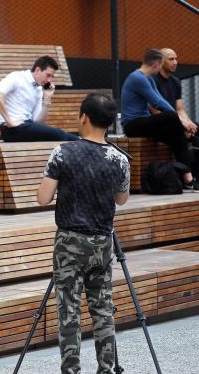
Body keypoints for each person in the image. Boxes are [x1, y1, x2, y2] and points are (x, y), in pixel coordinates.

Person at [37, 93, 130, 374]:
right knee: (103, 309)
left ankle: (71, 370)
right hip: (103, 242)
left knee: (69, 311)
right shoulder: (119, 158)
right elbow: (121, 199)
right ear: (110, 124)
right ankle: (106, 368)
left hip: (69, 242)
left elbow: (43, 197)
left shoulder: (63, 152)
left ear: (83, 117)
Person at [122, 48, 198, 189]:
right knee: (170, 116)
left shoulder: (148, 78)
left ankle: (188, 178)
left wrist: (183, 124)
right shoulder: (137, 78)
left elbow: (161, 100)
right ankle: (185, 134)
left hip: (146, 123)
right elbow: (157, 102)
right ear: (156, 64)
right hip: (133, 125)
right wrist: (182, 122)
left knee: (177, 136)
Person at [0, 55, 79, 142]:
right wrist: (9, 121)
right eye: (48, 75)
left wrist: (47, 99)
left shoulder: (39, 89)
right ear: (37, 70)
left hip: (26, 127)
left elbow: (39, 123)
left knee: (56, 137)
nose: (49, 80)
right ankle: (83, 142)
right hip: (11, 129)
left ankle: (83, 142)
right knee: (60, 135)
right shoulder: (16, 77)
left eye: (51, 77)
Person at [152, 48, 198, 143]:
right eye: (171, 59)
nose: (175, 62)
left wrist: (189, 123)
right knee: (190, 139)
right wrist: (182, 124)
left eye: (176, 59)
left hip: (176, 121)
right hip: (161, 124)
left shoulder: (176, 82)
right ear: (161, 61)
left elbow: (180, 109)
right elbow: (156, 112)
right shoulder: (152, 81)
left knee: (195, 128)